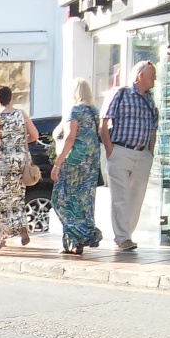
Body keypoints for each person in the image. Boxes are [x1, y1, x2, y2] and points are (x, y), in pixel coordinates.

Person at [100, 60, 159, 252]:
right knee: (121, 196)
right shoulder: (120, 93)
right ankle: (122, 237)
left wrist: (150, 152)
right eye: (152, 76)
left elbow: (153, 128)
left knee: (136, 197)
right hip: (120, 150)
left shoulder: (150, 99)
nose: (155, 80)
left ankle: (127, 234)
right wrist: (110, 150)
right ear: (141, 75)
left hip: (142, 154)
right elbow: (104, 122)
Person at [51, 78, 105, 255]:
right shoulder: (93, 111)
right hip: (91, 165)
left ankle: (78, 237)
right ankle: (74, 242)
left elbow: (70, 138)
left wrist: (58, 163)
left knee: (62, 199)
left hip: (75, 162)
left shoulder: (75, 111)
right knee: (82, 202)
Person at [0, 86, 39, 252]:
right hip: (21, 160)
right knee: (17, 197)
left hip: (6, 160)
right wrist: (20, 142)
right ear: (11, 98)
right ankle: (21, 225)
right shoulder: (21, 114)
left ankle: (2, 235)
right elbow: (35, 135)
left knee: (2, 198)